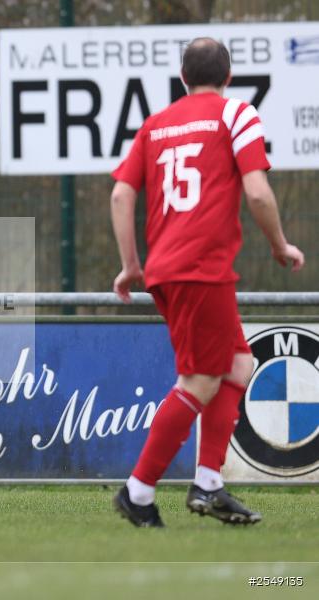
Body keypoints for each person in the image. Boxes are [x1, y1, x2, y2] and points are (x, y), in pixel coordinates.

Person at [109, 38, 304, 527]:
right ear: (229, 75)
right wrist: (281, 246)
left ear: (182, 77)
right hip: (202, 269)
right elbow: (258, 193)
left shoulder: (156, 125)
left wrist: (131, 264)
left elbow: (120, 194)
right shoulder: (235, 115)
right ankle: (138, 491)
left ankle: (209, 484)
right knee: (199, 379)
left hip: (168, 270)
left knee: (237, 364)